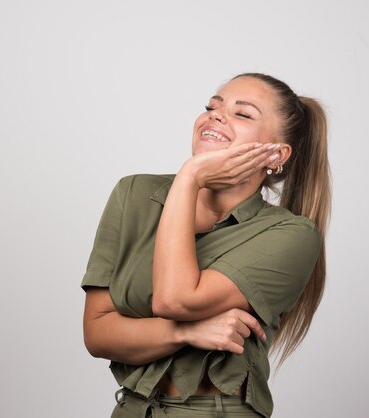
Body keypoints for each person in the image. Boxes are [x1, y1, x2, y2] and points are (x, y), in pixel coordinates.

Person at [81, 73, 331, 418]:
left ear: (277, 154)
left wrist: (189, 177)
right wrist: (190, 331)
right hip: (132, 409)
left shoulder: (291, 234)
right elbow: (97, 334)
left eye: (242, 114)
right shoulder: (134, 194)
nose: (216, 115)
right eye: (212, 107)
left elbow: (176, 299)